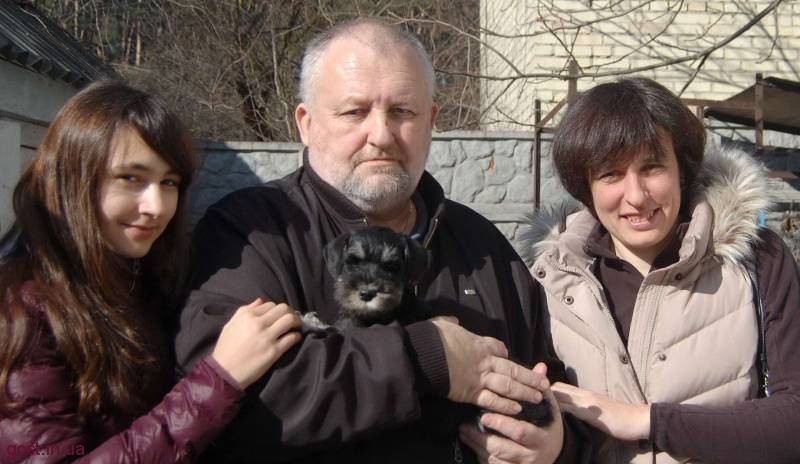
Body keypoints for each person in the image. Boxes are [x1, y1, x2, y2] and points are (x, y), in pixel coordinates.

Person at [175, 18, 587, 463]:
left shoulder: (484, 246)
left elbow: (557, 379)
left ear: (432, 121)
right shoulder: (249, 233)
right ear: (306, 123)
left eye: (403, 111)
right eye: (354, 112)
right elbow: (223, 401)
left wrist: (559, 445)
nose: (381, 135)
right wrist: (427, 359)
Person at [499, 77, 800, 463]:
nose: (637, 196)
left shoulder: (757, 260)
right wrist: (550, 446)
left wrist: (649, 421)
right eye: (611, 174)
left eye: (652, 167)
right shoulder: (550, 282)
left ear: (682, 170)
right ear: (585, 186)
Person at [0, 81, 302, 463]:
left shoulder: (142, 278)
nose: (156, 206)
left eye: (169, 182)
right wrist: (219, 380)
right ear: (72, 177)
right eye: (131, 178)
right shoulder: (20, 312)